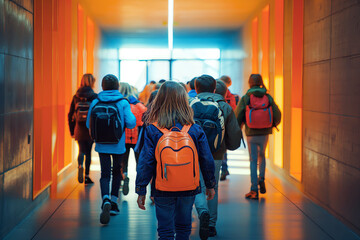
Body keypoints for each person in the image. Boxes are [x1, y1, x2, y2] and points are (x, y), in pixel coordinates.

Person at [135, 81, 216, 240]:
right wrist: (210, 184)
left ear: (160, 100)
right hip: (188, 186)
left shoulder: (153, 128)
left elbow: (146, 162)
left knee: (165, 230)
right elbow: (206, 158)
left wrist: (141, 189)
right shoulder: (194, 128)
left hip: (162, 186)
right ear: (184, 101)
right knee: (184, 227)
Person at [191, 75, 242, 239]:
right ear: (215, 89)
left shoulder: (189, 104)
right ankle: (211, 225)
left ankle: (202, 212)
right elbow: (234, 134)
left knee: (196, 185)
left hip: (193, 152)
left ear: (196, 88)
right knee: (212, 187)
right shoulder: (225, 107)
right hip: (216, 153)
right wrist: (229, 146)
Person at [86, 74, 136, 224]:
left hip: (101, 144)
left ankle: (105, 199)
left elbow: (89, 124)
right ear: (117, 87)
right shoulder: (122, 102)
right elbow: (132, 123)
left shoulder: (96, 101)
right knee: (116, 172)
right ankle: (114, 203)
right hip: (118, 144)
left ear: (102, 86)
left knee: (105, 173)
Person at [235, 74, 281, 199]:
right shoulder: (267, 96)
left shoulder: (246, 98)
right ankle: (262, 178)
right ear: (261, 82)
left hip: (251, 133)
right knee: (262, 156)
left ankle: (254, 189)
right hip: (265, 132)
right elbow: (277, 113)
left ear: (250, 83)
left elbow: (238, 115)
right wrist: (272, 124)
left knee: (253, 160)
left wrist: (238, 127)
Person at [68, 73, 97, 184]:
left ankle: (80, 166)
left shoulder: (76, 96)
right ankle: (87, 176)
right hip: (90, 128)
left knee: (81, 150)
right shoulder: (94, 96)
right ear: (92, 82)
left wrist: (72, 130)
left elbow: (70, 114)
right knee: (89, 152)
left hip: (78, 128)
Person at [119, 82, 147, 196]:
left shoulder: (120, 104)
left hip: (122, 138)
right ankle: (139, 184)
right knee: (139, 162)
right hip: (137, 138)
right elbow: (144, 120)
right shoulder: (139, 105)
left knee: (123, 161)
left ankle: (124, 176)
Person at [219, 75, 237, 181]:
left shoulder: (217, 95)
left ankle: (224, 169)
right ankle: (224, 169)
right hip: (227, 125)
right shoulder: (231, 96)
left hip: (220, 125)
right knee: (223, 150)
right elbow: (233, 110)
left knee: (221, 149)